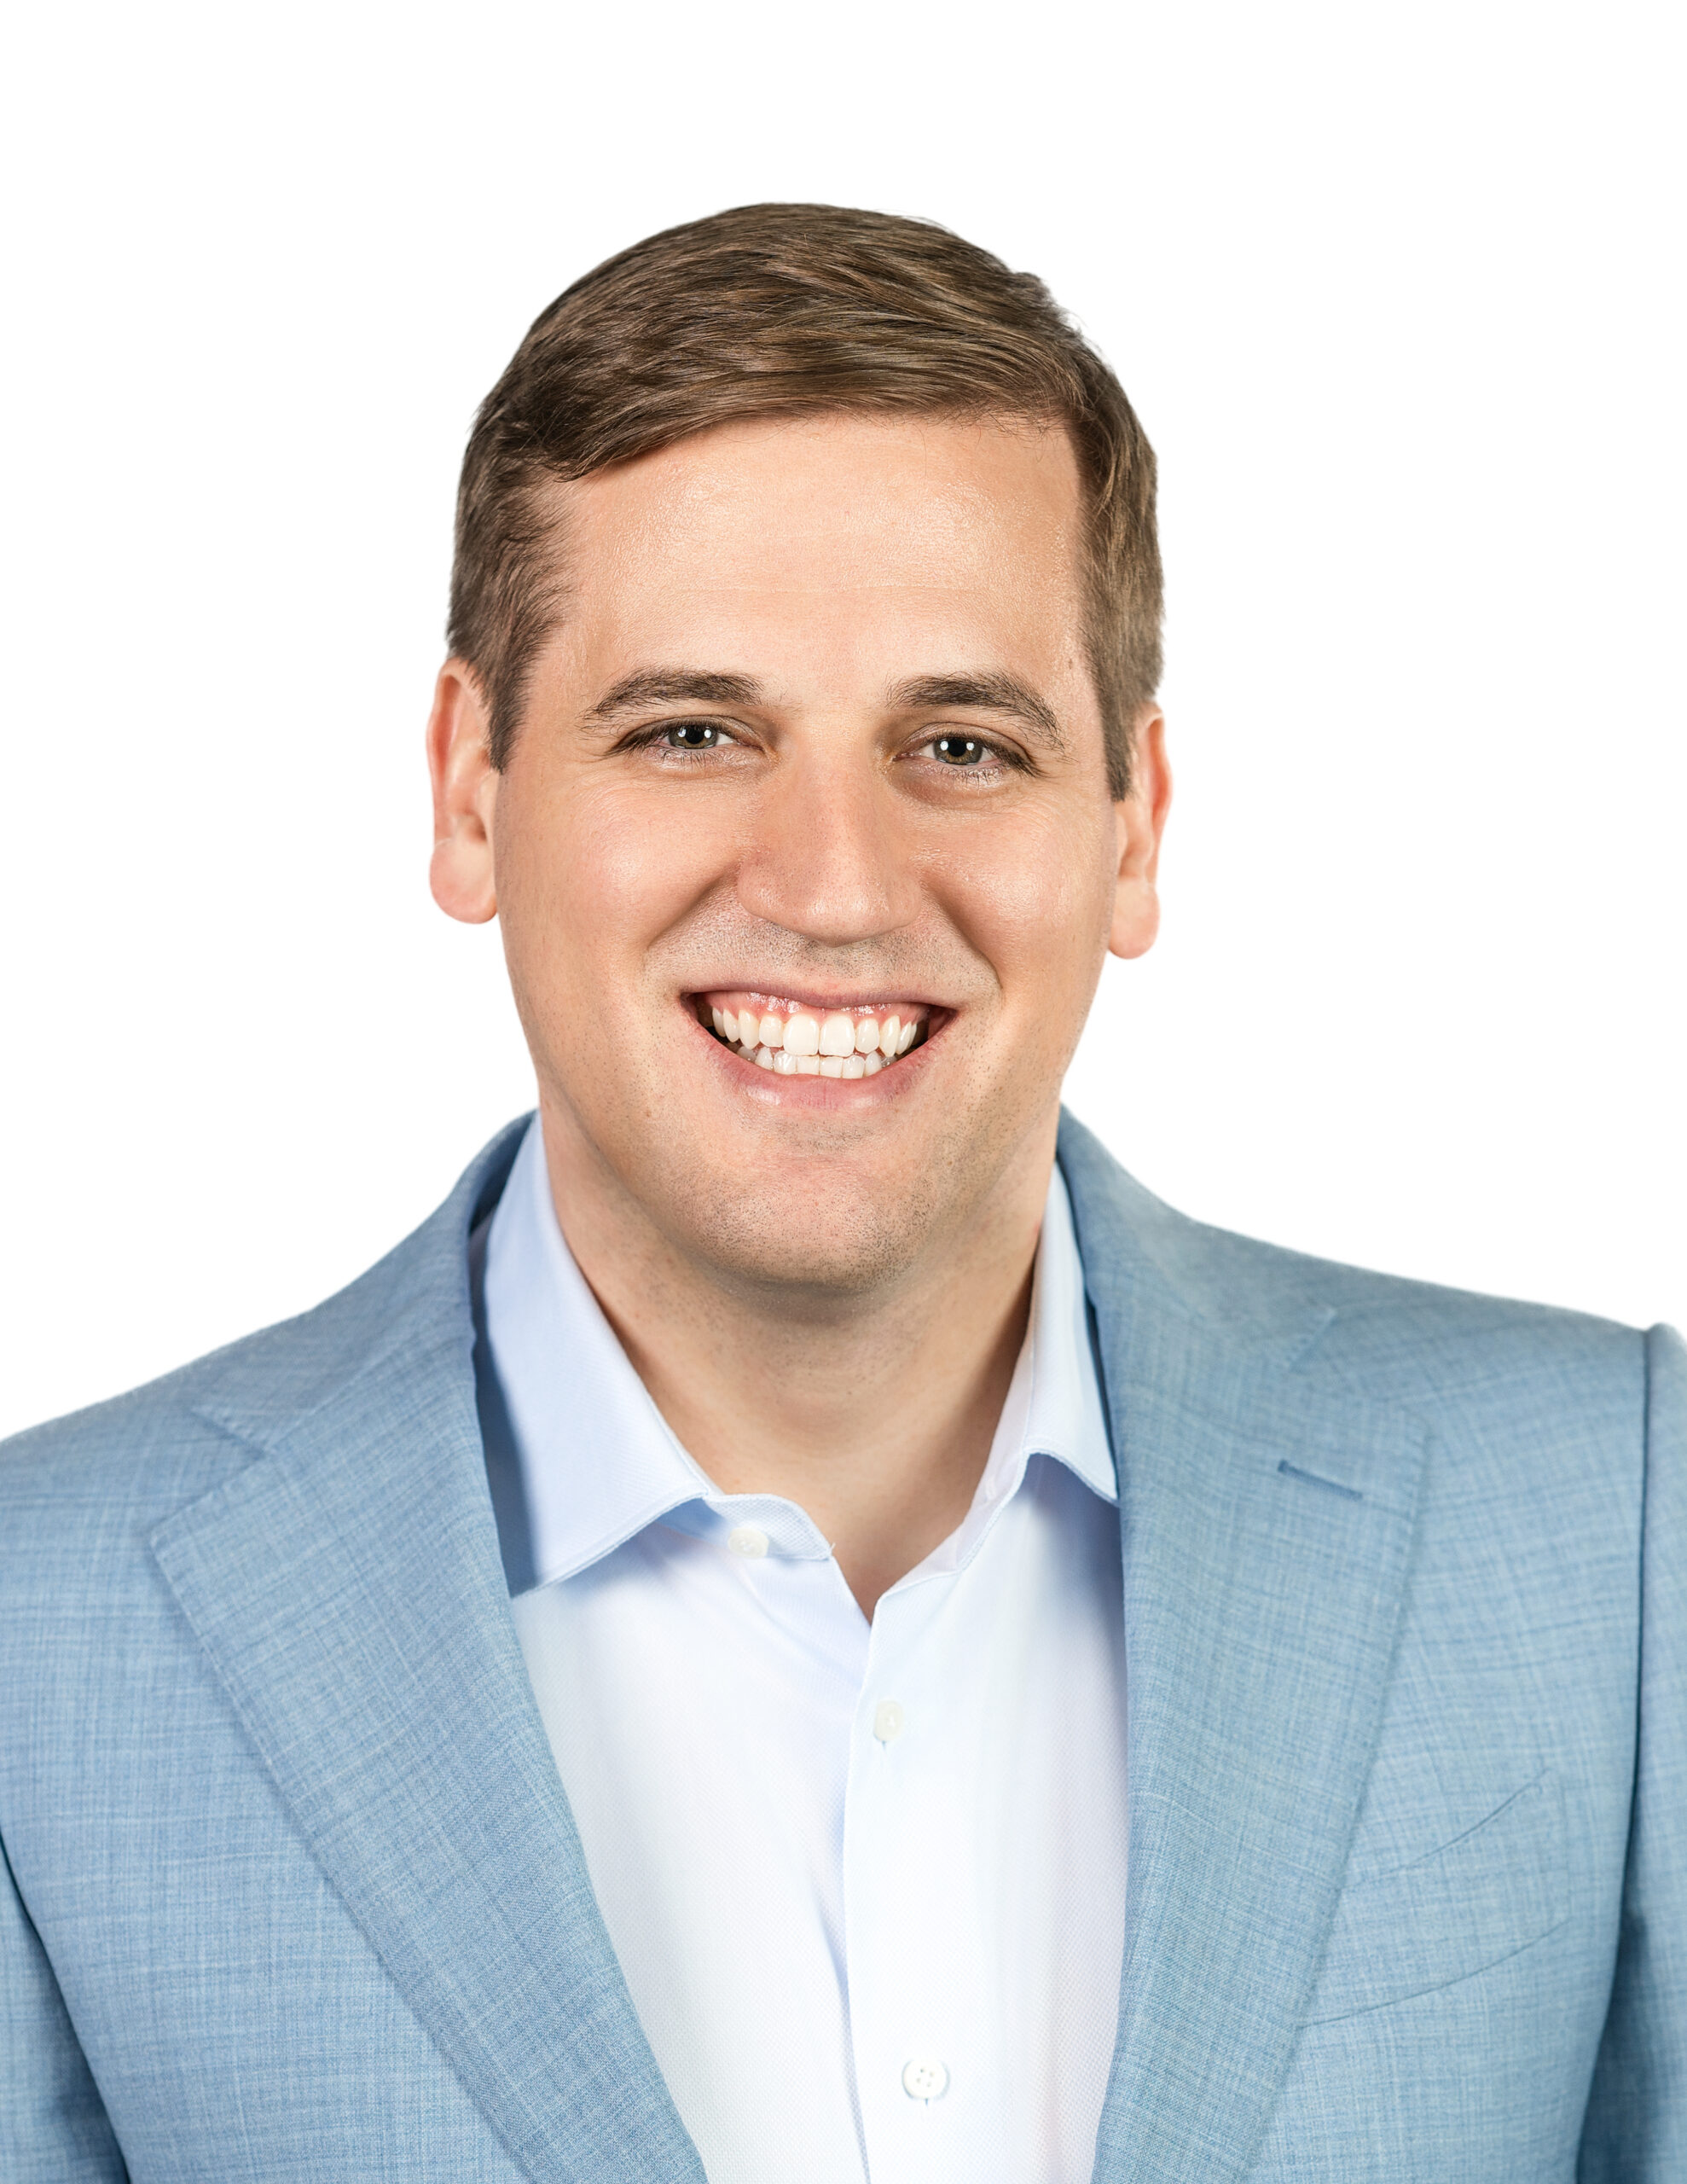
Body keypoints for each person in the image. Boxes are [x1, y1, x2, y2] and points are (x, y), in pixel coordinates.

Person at [0, 203, 1678, 2184]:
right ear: (469, 787)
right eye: (692, 732)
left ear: (1131, 826)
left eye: (957, 742)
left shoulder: (1614, 1524)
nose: (834, 884)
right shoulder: (43, 1630)